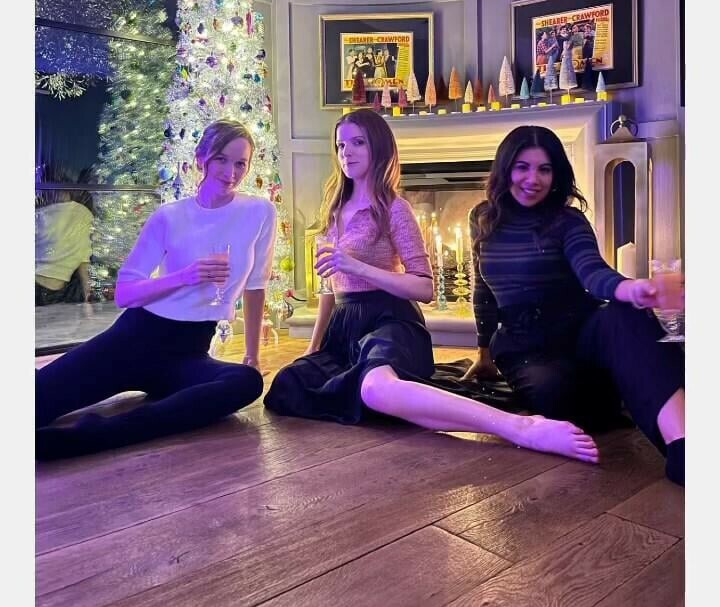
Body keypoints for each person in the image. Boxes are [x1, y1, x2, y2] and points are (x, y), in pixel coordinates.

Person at [265, 110, 603, 465]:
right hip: (345, 327)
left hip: (390, 321)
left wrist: (356, 266)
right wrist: (314, 347)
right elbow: (330, 290)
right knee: (288, 384)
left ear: (379, 147)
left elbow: (424, 287)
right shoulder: (334, 210)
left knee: (375, 388)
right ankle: (399, 397)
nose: (346, 152)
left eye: (358, 142)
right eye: (341, 145)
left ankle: (520, 427)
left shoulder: (395, 209)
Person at [36, 120, 277, 460]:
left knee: (246, 382)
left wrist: (252, 356)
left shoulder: (259, 212)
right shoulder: (170, 216)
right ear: (201, 158)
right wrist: (184, 277)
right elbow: (125, 293)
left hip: (189, 352)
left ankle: (96, 435)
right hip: (133, 340)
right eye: (221, 159)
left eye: (241, 163)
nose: (231, 172)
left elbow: (255, 286)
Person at [458, 126, 685, 484]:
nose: (533, 179)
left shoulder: (567, 220)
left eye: (544, 169)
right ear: (505, 168)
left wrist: (632, 289)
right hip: (523, 347)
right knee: (558, 398)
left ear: (556, 175)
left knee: (626, 314)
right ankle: (625, 389)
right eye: (522, 167)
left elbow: (592, 272)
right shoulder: (483, 217)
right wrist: (483, 353)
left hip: (579, 333)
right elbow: (483, 289)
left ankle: (685, 446)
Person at [35, 183, 94, 305]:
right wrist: (87, 292)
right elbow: (83, 259)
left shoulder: (42, 213)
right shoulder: (82, 214)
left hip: (47, 286)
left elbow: (83, 258)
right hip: (54, 288)